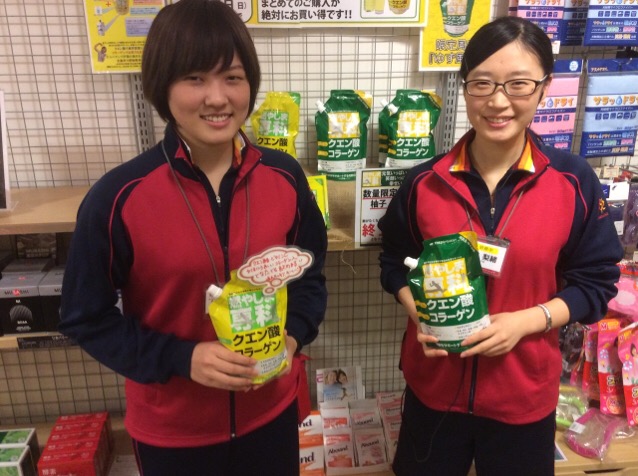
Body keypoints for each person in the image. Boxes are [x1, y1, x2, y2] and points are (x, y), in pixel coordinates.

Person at [59, 1, 327, 475]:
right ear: (162, 86)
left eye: (233, 77)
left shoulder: (285, 177)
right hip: (175, 433)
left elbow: (310, 276)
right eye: (195, 78)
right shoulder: (117, 198)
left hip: (272, 414)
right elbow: (86, 318)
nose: (218, 98)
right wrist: (183, 358)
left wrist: (293, 337)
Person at [378, 16, 623, 476]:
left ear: (544, 89)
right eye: (482, 83)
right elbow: (393, 261)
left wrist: (527, 322)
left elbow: (596, 282)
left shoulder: (573, 181)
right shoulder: (424, 183)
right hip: (434, 393)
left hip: (522, 399)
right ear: (465, 88)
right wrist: (418, 310)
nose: (497, 101)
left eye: (518, 84)